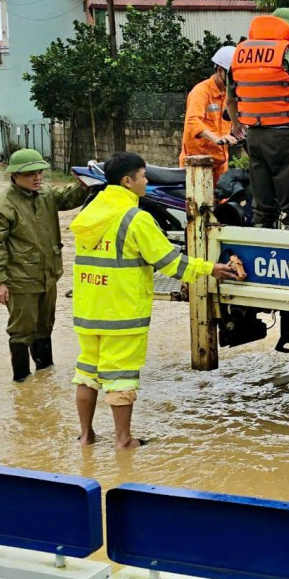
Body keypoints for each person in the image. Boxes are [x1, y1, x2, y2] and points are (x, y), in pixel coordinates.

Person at [69, 152, 240, 449]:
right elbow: (171, 263)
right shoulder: (136, 219)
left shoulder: (88, 215)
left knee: (86, 374)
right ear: (127, 181)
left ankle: (86, 436)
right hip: (121, 315)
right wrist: (212, 269)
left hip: (87, 310)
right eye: (143, 176)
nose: (146, 181)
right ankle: (123, 440)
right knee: (121, 378)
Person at [0, 148, 90, 383]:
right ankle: (21, 381)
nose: (37, 177)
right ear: (15, 176)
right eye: (30, 174)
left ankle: (44, 377)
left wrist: (89, 181)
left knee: (44, 327)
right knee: (21, 330)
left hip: (48, 276)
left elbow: (71, 197)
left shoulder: (46, 195)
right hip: (20, 280)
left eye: (39, 172)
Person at [231, 8, 289, 230]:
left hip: (255, 135)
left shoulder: (240, 55)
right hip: (288, 136)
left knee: (263, 202)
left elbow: (231, 100)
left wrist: (237, 125)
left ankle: (265, 246)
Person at [181, 45, 240, 184]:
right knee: (201, 204)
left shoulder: (228, 94)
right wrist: (216, 139)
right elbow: (193, 121)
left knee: (224, 203)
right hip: (199, 164)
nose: (234, 80)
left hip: (220, 163)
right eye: (231, 76)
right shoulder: (201, 92)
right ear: (219, 70)